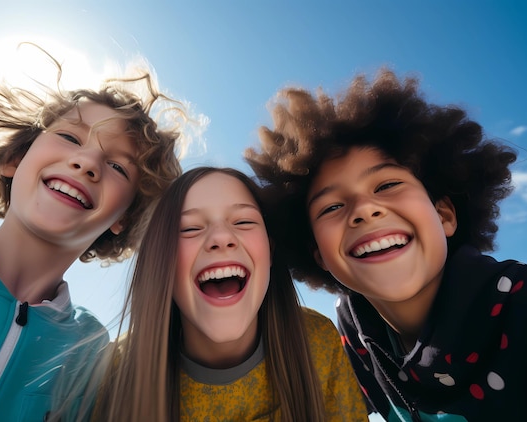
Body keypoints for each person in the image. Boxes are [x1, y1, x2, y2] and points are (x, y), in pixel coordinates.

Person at [245, 68, 527, 421]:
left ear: (445, 215)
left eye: (387, 185)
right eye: (331, 207)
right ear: (319, 255)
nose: (364, 209)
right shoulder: (353, 337)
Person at [0, 43, 187, 421]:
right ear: (15, 159)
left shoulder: (90, 352)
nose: (87, 162)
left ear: (124, 218)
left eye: (118, 166)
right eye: (70, 137)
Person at [89, 166, 367, 421]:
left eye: (244, 222)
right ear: (161, 261)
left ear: (269, 251)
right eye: (190, 228)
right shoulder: (117, 369)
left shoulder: (317, 340)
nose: (221, 238)